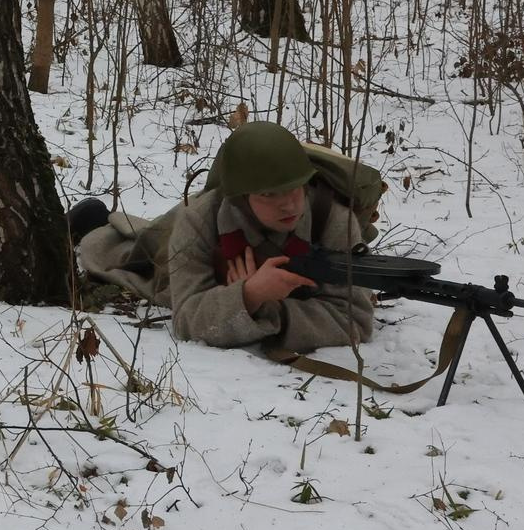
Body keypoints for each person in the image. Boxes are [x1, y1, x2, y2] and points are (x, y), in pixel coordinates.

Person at [72, 121, 378, 355]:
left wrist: (259, 301)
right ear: (241, 196)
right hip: (192, 230)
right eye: (269, 194)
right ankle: (96, 224)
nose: (289, 204)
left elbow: (355, 321)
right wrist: (250, 295)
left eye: (295, 188)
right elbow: (186, 319)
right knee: (138, 252)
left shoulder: (334, 220)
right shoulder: (200, 218)